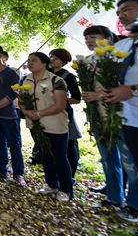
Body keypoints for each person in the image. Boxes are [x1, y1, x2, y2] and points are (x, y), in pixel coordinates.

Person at [102, 0, 138, 223]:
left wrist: (133, 90)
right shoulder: (122, 45)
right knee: (135, 166)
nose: (122, 16)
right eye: (118, 13)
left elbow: (130, 88)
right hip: (129, 120)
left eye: (127, 9)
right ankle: (137, 206)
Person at [81, 25, 125, 209]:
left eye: (93, 36)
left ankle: (129, 200)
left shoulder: (118, 57)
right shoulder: (87, 61)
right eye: (86, 38)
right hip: (97, 116)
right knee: (108, 157)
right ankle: (114, 194)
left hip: (120, 115)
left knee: (128, 159)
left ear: (108, 37)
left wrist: (100, 96)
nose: (89, 41)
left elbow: (126, 87)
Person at [20, 52, 72, 202]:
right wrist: (25, 111)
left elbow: (61, 104)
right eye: (29, 61)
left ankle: (66, 189)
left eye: (34, 61)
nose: (30, 63)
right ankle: (51, 184)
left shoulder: (56, 80)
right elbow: (21, 99)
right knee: (45, 155)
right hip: (35, 125)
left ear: (44, 63)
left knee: (60, 157)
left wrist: (40, 113)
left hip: (55, 124)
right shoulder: (25, 79)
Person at [0, 44, 25, 187]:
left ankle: (18, 173)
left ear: (1, 56)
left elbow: (12, 93)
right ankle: (1, 168)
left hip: (8, 115)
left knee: (14, 145)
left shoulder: (10, 73)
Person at [49, 48, 82, 181]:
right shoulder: (46, 73)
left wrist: (60, 99)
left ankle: (70, 176)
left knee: (68, 145)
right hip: (47, 113)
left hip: (64, 114)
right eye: (50, 56)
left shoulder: (68, 76)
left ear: (63, 61)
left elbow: (77, 98)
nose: (51, 60)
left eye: (55, 58)